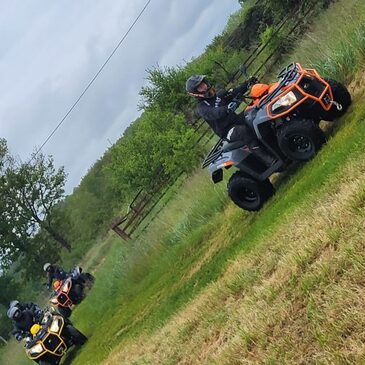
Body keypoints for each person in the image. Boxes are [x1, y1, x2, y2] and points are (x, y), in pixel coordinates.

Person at [186, 74, 274, 165]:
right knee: (242, 131)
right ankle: (269, 160)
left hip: (236, 120)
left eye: (203, 83)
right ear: (195, 93)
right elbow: (215, 113)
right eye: (200, 87)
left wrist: (247, 83)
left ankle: (273, 140)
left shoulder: (218, 96)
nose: (204, 86)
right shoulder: (202, 108)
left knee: (254, 111)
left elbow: (234, 92)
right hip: (227, 131)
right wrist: (227, 109)